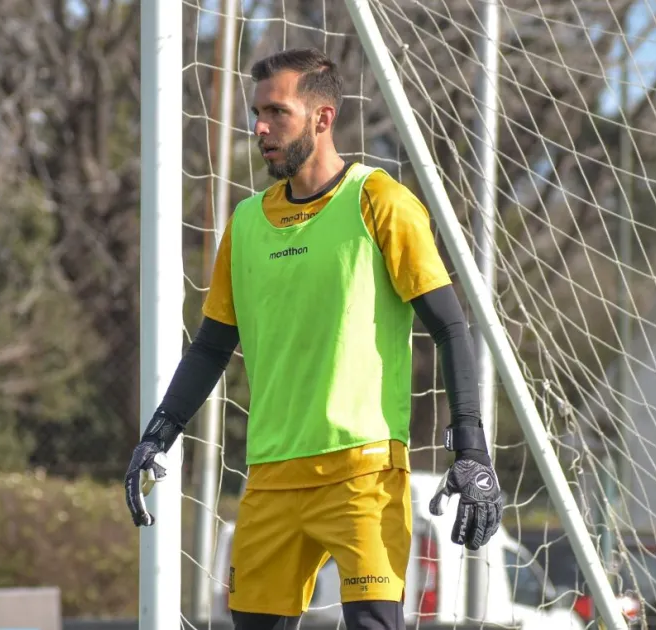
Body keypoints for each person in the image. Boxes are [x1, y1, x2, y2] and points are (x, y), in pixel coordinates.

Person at [125, 47, 503, 630]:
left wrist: (472, 451)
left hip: (364, 476)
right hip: (271, 477)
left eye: (278, 113)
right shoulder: (246, 222)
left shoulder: (380, 201)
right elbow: (209, 347)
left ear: (322, 119)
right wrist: (158, 433)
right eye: (257, 113)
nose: (260, 129)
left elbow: (451, 328)